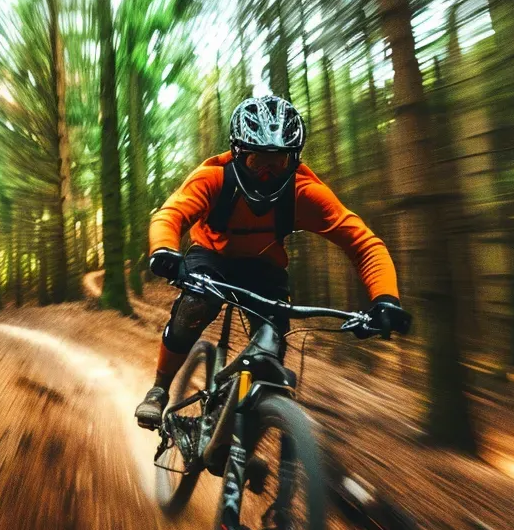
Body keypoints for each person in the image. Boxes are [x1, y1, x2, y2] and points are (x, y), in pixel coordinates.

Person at [135, 95, 411, 429]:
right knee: (195, 305)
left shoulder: (304, 193)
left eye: (277, 163)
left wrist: (385, 299)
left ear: (293, 160)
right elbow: (171, 214)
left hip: (263, 267)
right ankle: (160, 389)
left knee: (271, 353)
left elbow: (363, 244)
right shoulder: (213, 179)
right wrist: (164, 250)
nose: (266, 174)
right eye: (257, 162)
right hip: (211, 256)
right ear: (238, 155)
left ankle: (244, 437)